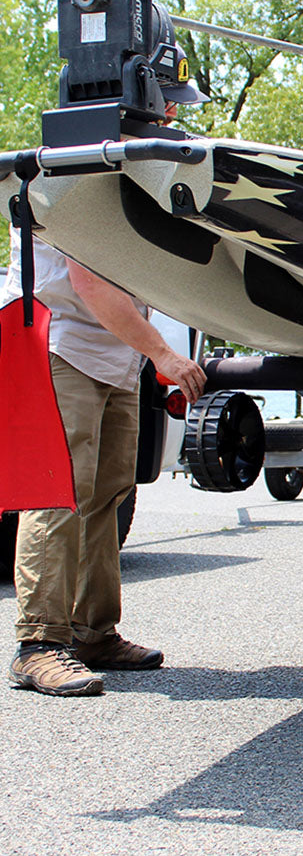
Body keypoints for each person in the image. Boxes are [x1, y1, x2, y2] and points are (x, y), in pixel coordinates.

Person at [5, 47, 209, 697]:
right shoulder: (75, 174)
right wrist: (164, 355)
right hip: (65, 348)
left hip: (113, 355)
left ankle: (94, 630)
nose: (174, 118)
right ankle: (38, 643)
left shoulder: (122, 172)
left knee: (109, 491)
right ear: (138, 106)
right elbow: (91, 284)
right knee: (59, 494)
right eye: (169, 106)